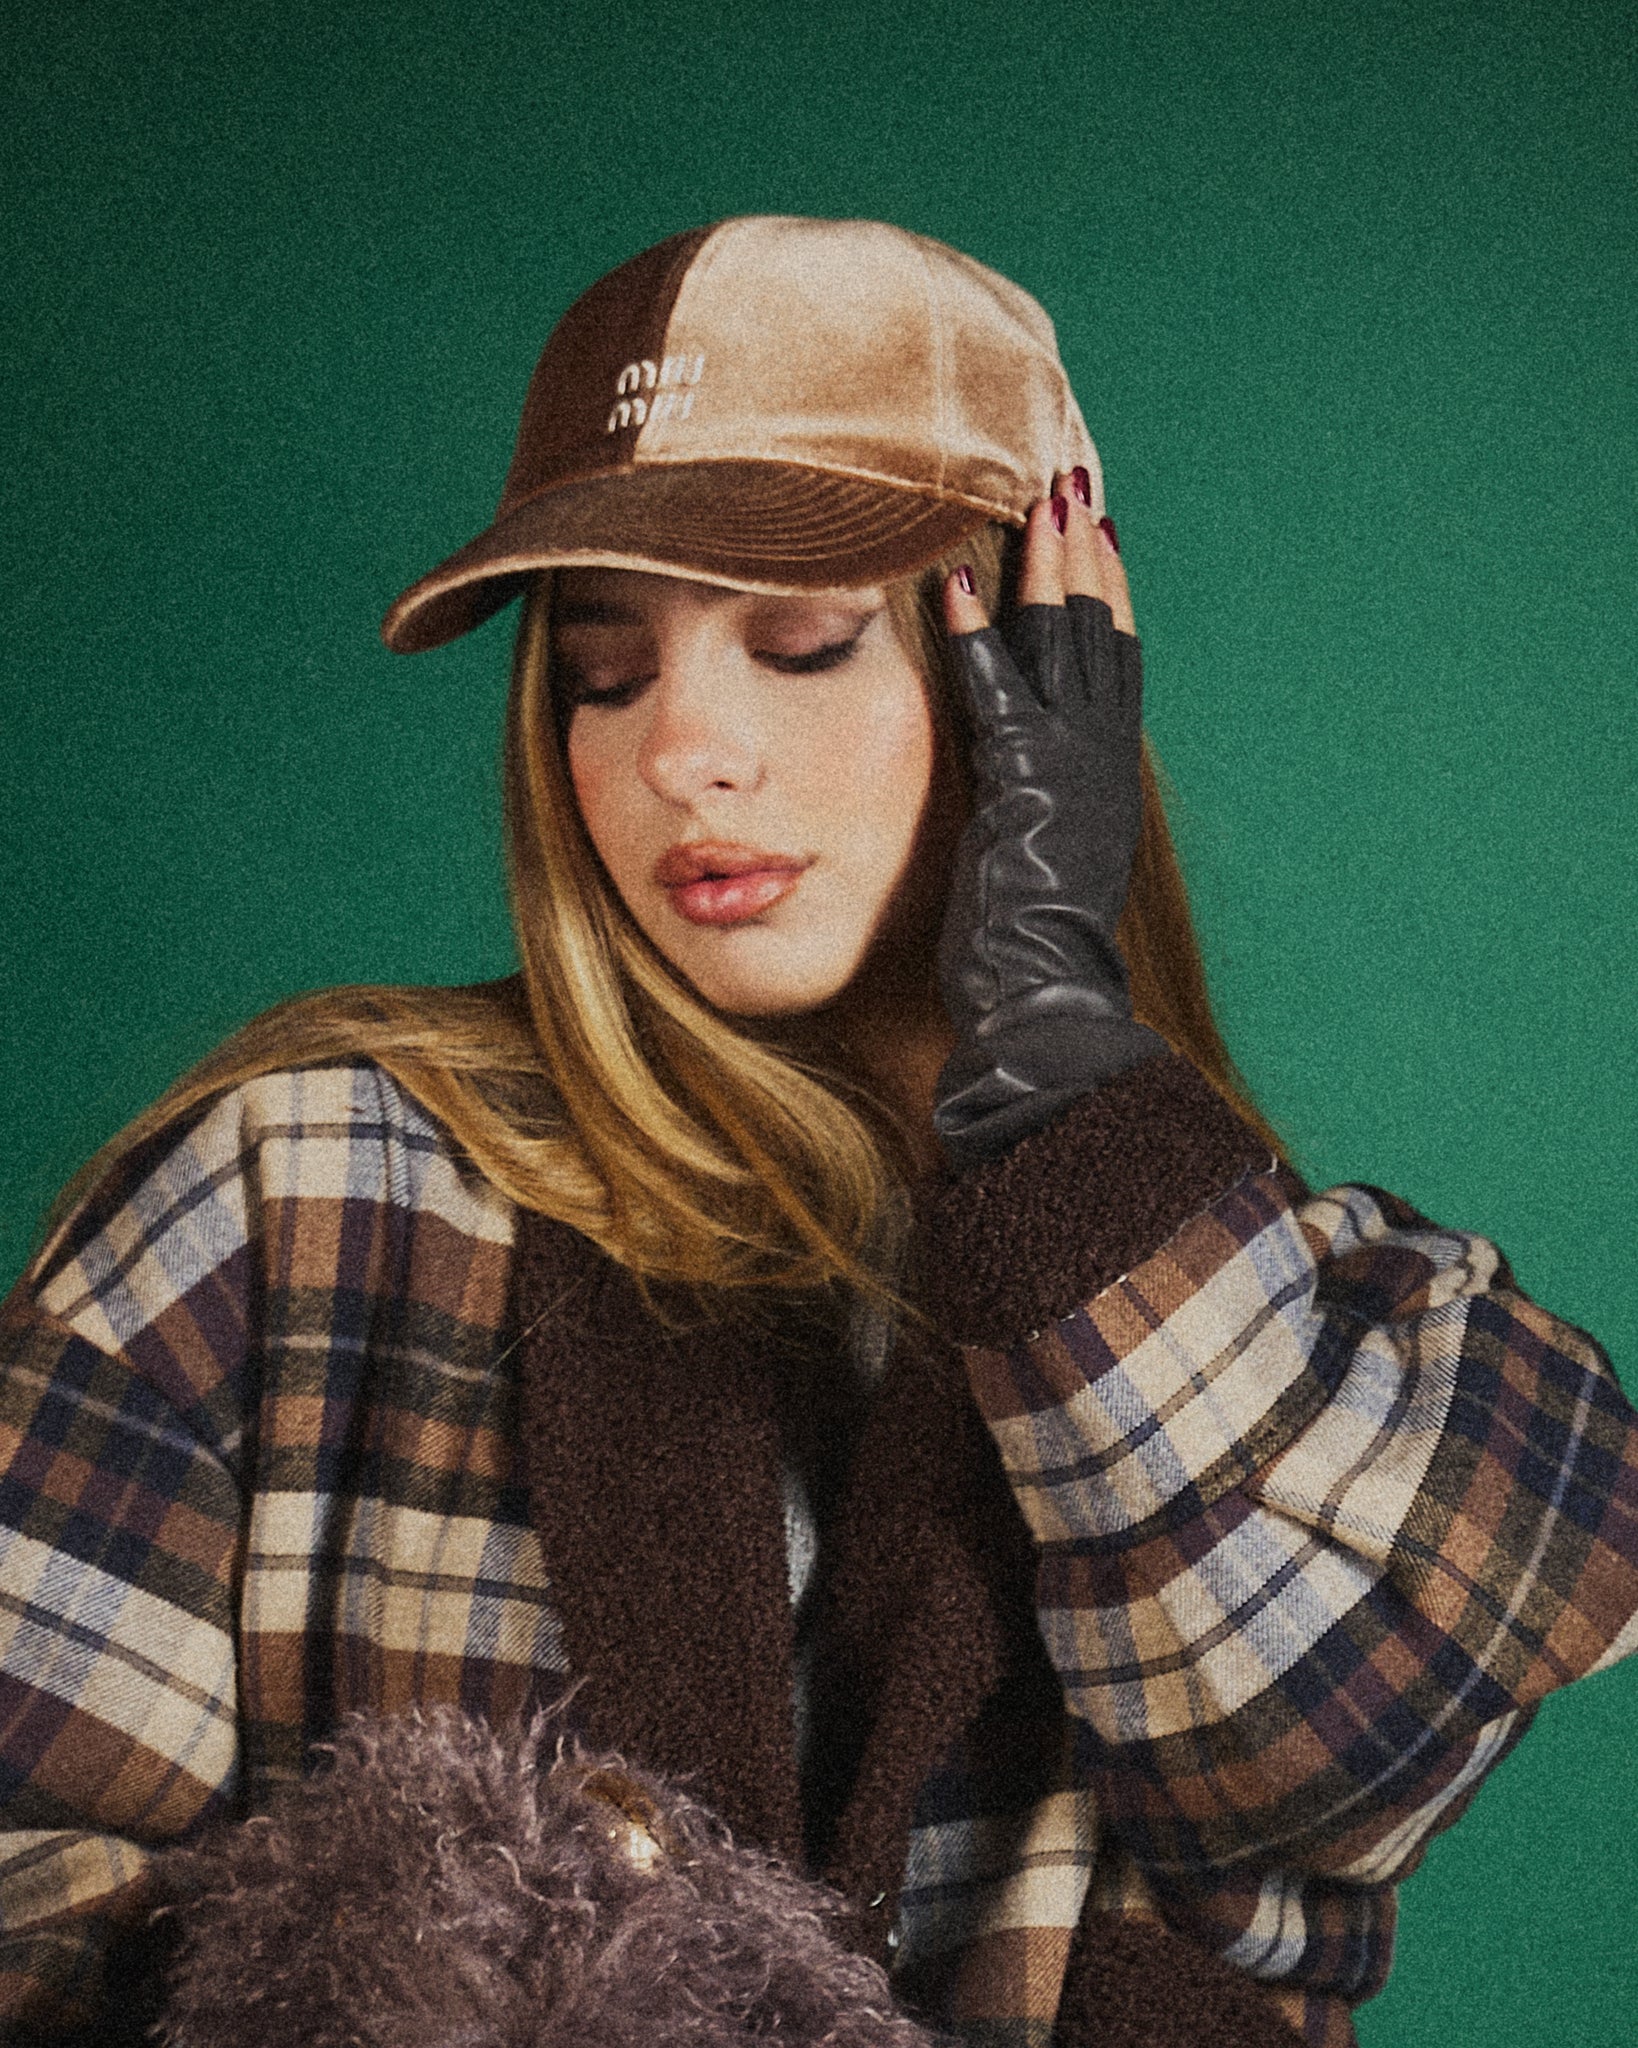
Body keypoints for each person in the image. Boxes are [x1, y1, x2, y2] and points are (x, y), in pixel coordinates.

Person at [2, 216, 1634, 2048]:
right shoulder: (295, 1195)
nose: (680, 749)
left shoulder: (1312, 1327)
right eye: (603, 671)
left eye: (800, 641)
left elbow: (1325, 1767)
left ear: (1043, 667)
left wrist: (1061, 1092)